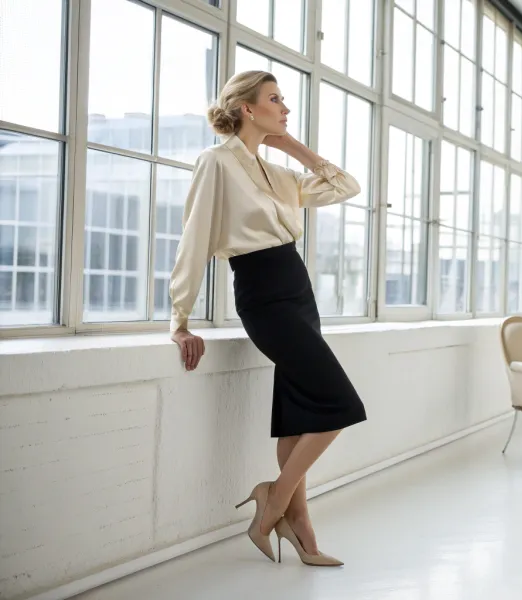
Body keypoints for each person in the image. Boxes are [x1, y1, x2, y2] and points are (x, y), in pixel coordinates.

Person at [168, 70, 367, 567]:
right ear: (246, 108)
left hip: (298, 290)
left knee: (299, 418)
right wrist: (180, 317)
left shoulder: (278, 175)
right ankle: (272, 500)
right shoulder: (215, 163)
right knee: (339, 404)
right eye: (275, 100)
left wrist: (291, 144)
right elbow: (193, 239)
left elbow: (345, 186)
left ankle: (303, 534)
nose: (285, 107)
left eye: (284, 100)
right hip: (262, 293)